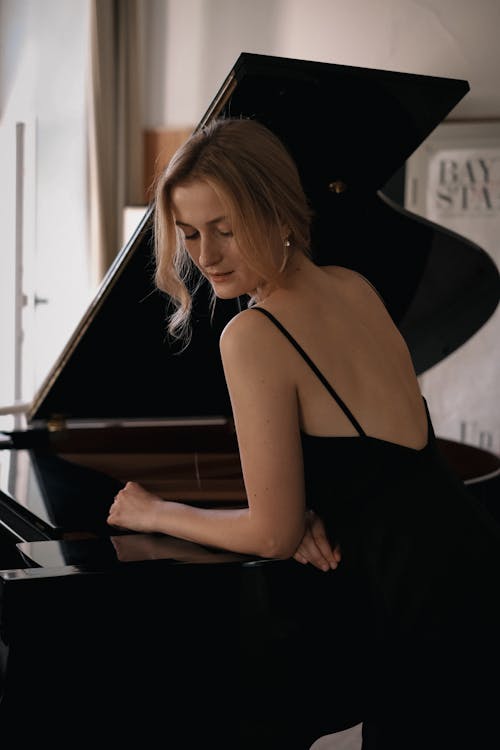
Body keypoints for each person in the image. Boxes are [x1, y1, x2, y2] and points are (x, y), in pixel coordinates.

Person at [107, 117, 500, 748]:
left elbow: (273, 531)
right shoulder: (356, 286)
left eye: (225, 230)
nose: (204, 256)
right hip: (474, 561)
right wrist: (311, 509)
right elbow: (373, 463)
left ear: (280, 213)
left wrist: (156, 511)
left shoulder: (252, 335)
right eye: (188, 235)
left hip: (422, 605)